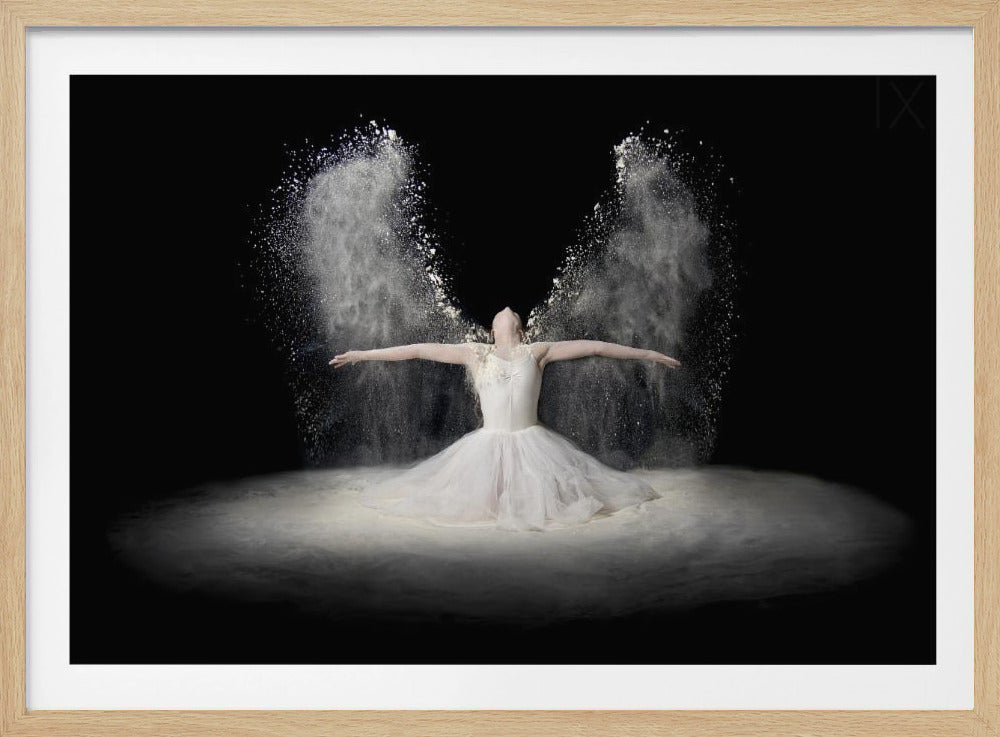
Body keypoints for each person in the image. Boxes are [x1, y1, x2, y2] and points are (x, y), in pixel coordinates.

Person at [330, 307, 681, 531]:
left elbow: (596, 347)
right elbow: (416, 350)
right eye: (501, 313)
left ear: (520, 329)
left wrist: (649, 354)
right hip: (486, 444)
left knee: (544, 500)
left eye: (513, 313)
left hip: (533, 443)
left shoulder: (538, 351)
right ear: (492, 330)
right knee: (474, 501)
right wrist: (362, 354)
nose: (507, 309)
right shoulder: (475, 353)